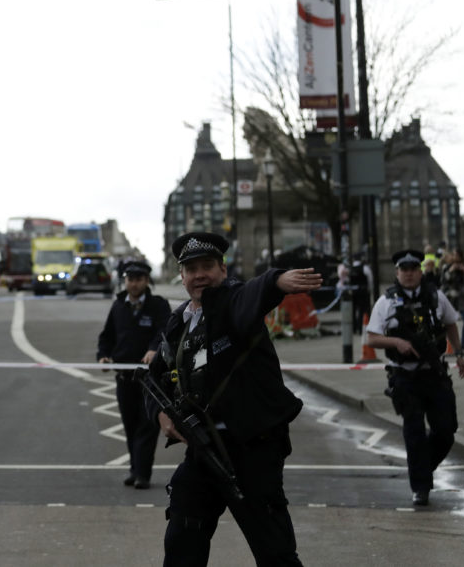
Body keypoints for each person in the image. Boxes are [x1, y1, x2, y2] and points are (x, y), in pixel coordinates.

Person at [146, 231, 322, 566]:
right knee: (183, 535)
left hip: (252, 449)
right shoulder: (178, 322)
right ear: (181, 276)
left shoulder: (231, 302)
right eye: (192, 268)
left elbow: (252, 294)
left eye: (208, 266)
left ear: (222, 271)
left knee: (275, 551)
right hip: (204, 449)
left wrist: (276, 281)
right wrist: (161, 416)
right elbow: (154, 379)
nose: (200, 274)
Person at [366, 249, 464, 506]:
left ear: (420, 271)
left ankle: (423, 467)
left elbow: (451, 323)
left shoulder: (436, 296)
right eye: (404, 269)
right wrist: (397, 342)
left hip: (434, 374)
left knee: (446, 430)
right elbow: (373, 338)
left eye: (414, 268)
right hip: (404, 377)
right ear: (397, 272)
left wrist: (458, 353)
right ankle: (420, 487)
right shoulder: (386, 302)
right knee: (414, 432)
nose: (409, 273)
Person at [97, 260, 171, 489]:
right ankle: (134, 468)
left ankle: (143, 474)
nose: (134, 284)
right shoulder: (119, 305)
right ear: (125, 281)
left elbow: (165, 331)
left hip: (150, 380)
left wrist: (153, 349)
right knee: (129, 425)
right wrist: (103, 355)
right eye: (130, 279)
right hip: (124, 377)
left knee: (147, 426)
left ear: (147, 281)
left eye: (139, 279)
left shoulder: (158, 305)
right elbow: (107, 336)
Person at [440, 247, 464, 351]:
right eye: (454, 255)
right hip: (450, 298)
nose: (456, 257)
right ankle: (448, 346)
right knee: (447, 322)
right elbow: (443, 281)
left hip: (461, 298)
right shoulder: (447, 267)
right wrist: (450, 271)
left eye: (458, 255)